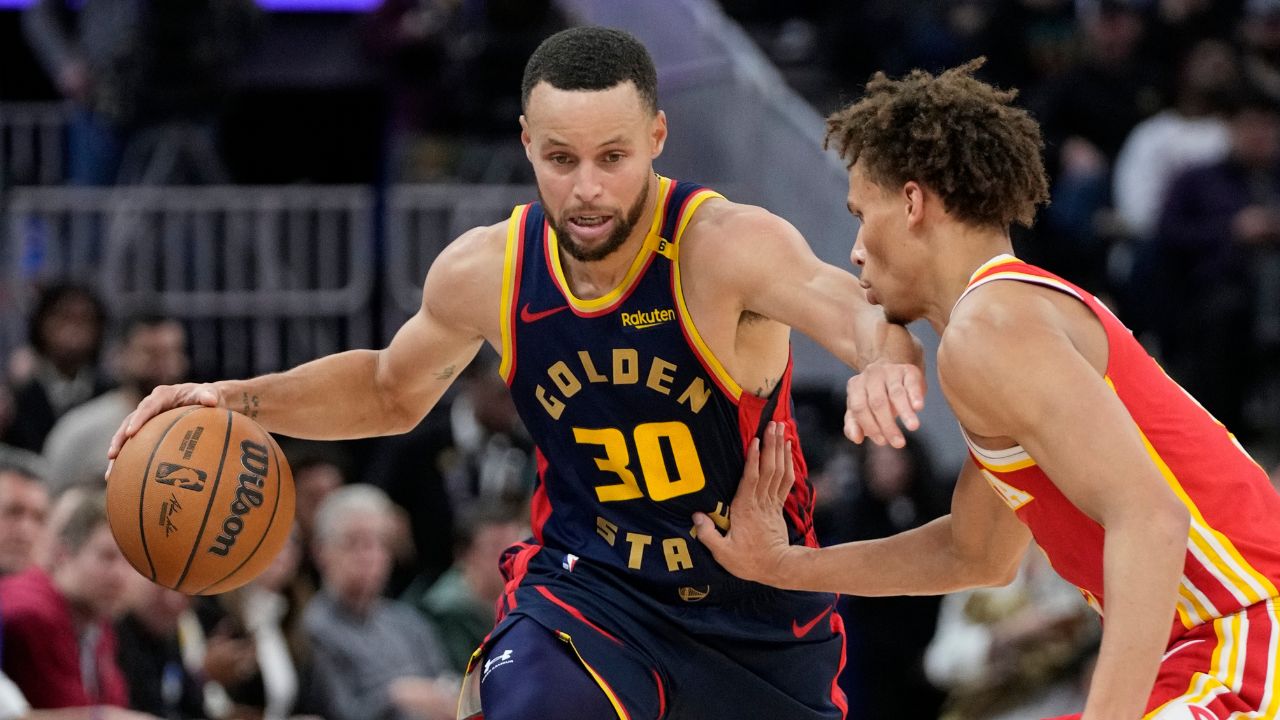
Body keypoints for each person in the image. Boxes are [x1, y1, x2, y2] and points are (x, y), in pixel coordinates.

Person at [107, 26, 925, 720]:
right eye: (562, 159)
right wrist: (239, 397)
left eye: (613, 156)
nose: (588, 189)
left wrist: (881, 364)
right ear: (528, 144)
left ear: (658, 139)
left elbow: (858, 309)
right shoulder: (488, 269)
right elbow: (391, 389)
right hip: (590, 586)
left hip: (753, 597)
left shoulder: (724, 247)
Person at [695, 59, 1280, 720]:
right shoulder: (1000, 327)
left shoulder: (992, 328)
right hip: (1213, 643)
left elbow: (1151, 519)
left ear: (913, 203)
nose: (856, 248)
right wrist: (782, 565)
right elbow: (975, 553)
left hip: (1243, 631)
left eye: (862, 213)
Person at [304, 485, 457, 720]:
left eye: (381, 543)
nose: (370, 556)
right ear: (321, 551)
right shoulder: (313, 628)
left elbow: (450, 689)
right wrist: (395, 695)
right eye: (354, 542)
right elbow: (339, 713)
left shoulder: (408, 621)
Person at [44, 315, 188, 494]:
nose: (163, 364)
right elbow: (49, 500)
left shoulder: (198, 426)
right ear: (121, 356)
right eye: (151, 353)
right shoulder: (81, 428)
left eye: (171, 353)